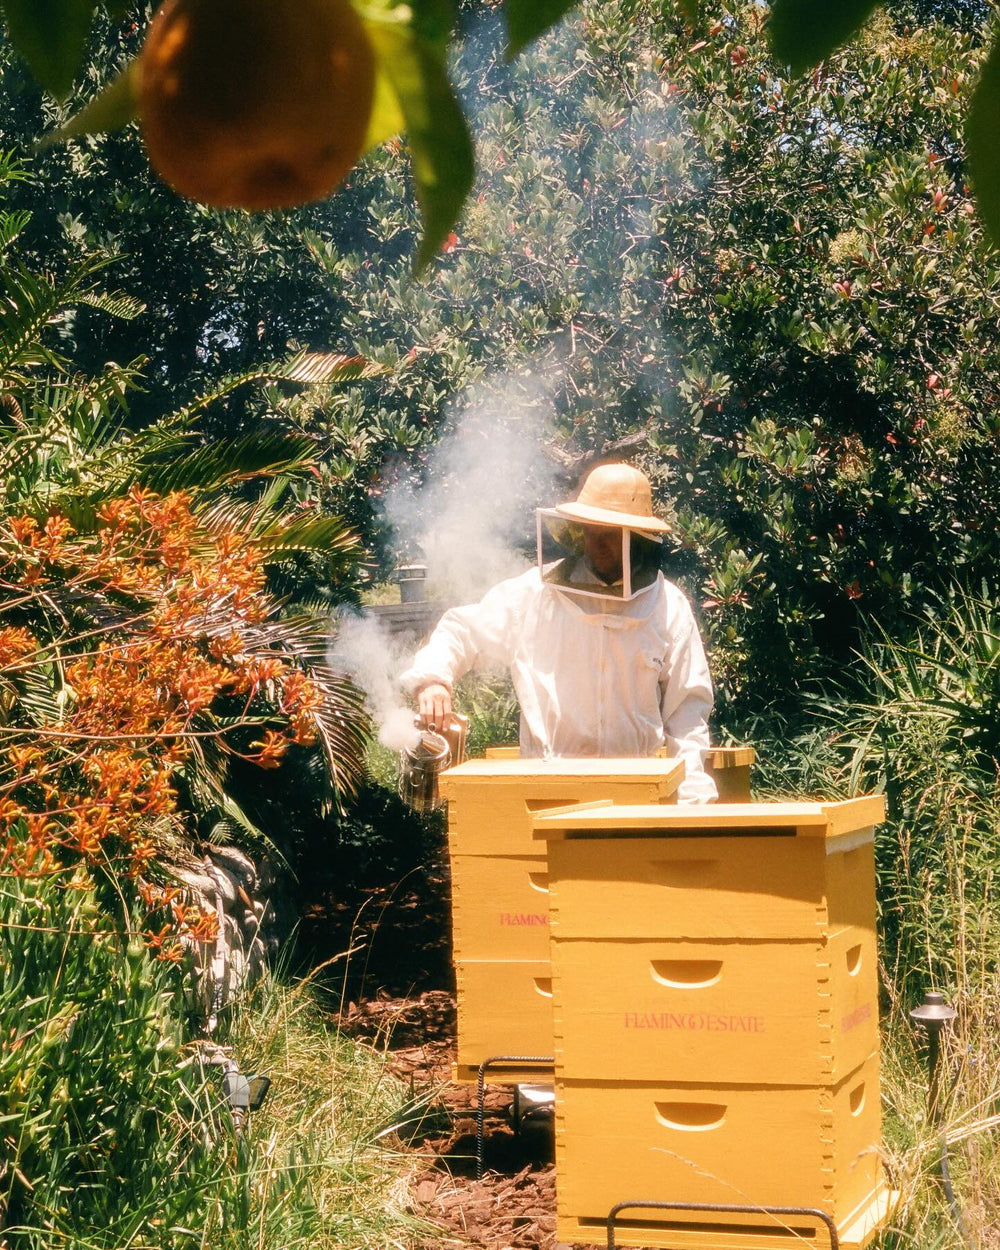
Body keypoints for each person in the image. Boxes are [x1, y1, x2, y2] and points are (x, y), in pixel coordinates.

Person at [399, 462, 717, 803]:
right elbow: (463, 630)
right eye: (590, 529)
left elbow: (686, 713)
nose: (597, 542)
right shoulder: (534, 594)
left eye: (610, 533)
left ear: (637, 538)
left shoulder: (668, 605)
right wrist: (433, 678)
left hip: (637, 789)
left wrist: (693, 801)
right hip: (547, 786)